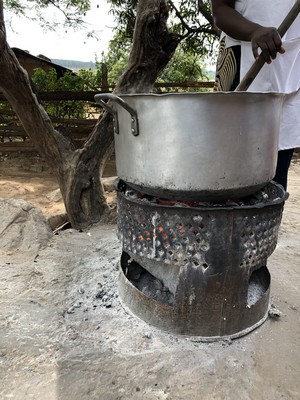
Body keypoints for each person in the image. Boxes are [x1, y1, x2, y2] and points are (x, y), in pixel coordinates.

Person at [211, 0, 300, 190]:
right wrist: (254, 31)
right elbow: (220, 10)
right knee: (228, 169)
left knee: (275, 175)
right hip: (242, 58)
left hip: (291, 63)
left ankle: (269, 218)